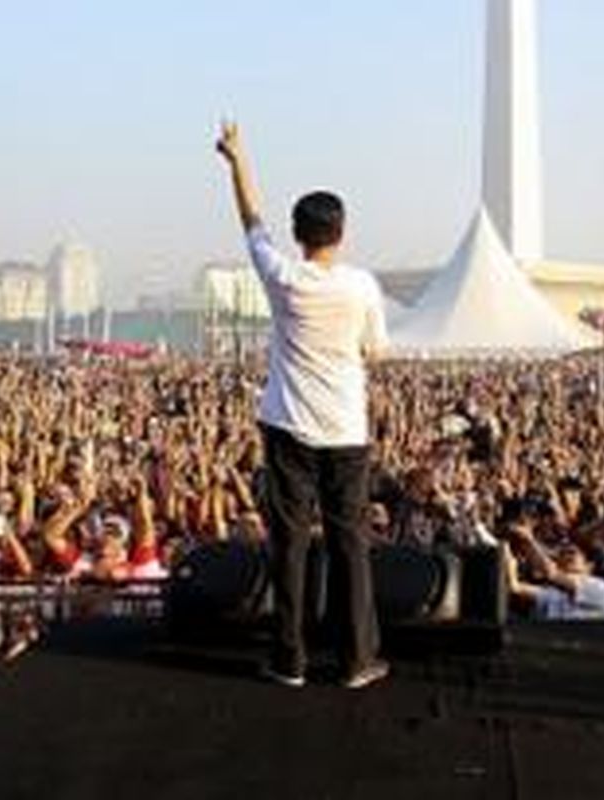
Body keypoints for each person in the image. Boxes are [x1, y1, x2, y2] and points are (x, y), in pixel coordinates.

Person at [217, 121, 390, 689]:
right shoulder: (363, 286)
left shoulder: (284, 276)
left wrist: (237, 160)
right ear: (342, 232)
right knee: (350, 547)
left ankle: (289, 659)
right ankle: (357, 659)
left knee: (288, 544)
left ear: (299, 233)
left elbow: (250, 220)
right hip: (345, 429)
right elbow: (376, 351)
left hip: (288, 425)